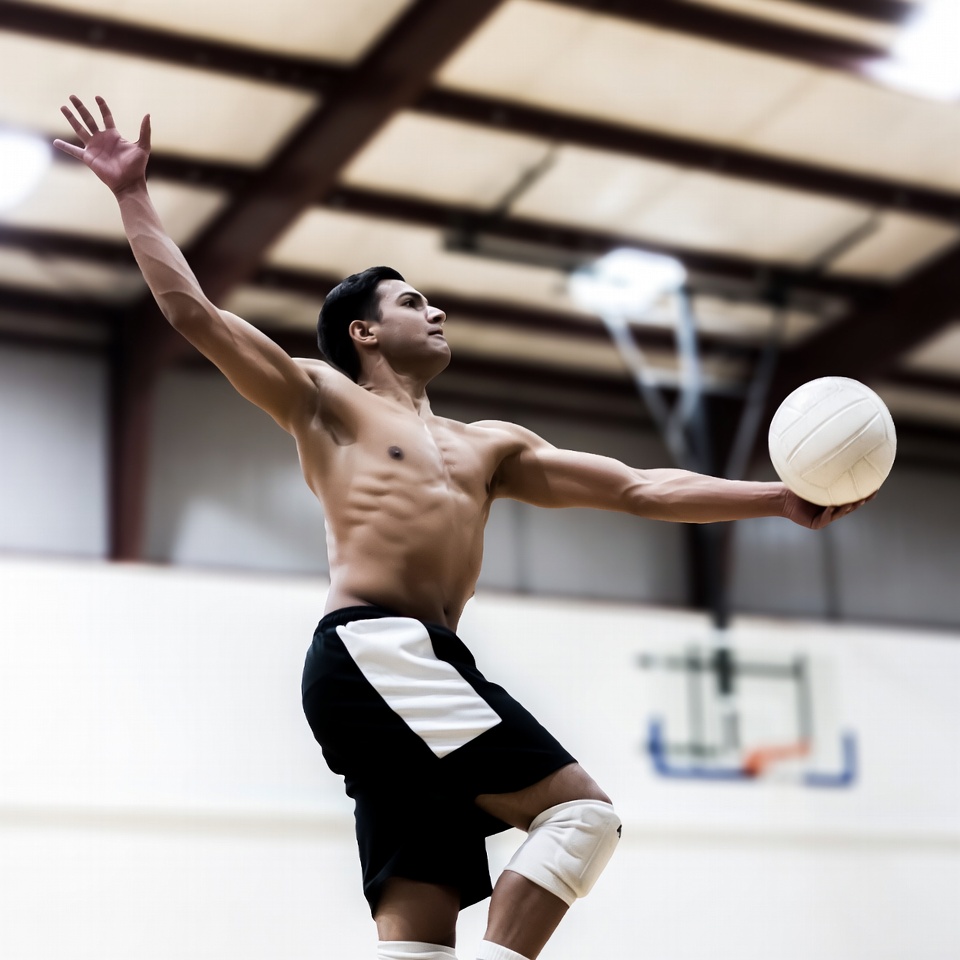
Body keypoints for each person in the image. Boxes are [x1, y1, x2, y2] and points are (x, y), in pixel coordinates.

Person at [55, 96, 870, 960]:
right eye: (414, 302)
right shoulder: (325, 402)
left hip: (421, 671)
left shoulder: (491, 448)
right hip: (377, 653)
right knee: (580, 814)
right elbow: (196, 317)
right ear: (364, 331)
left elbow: (637, 487)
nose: (436, 312)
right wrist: (133, 194)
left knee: (420, 946)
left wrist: (776, 498)